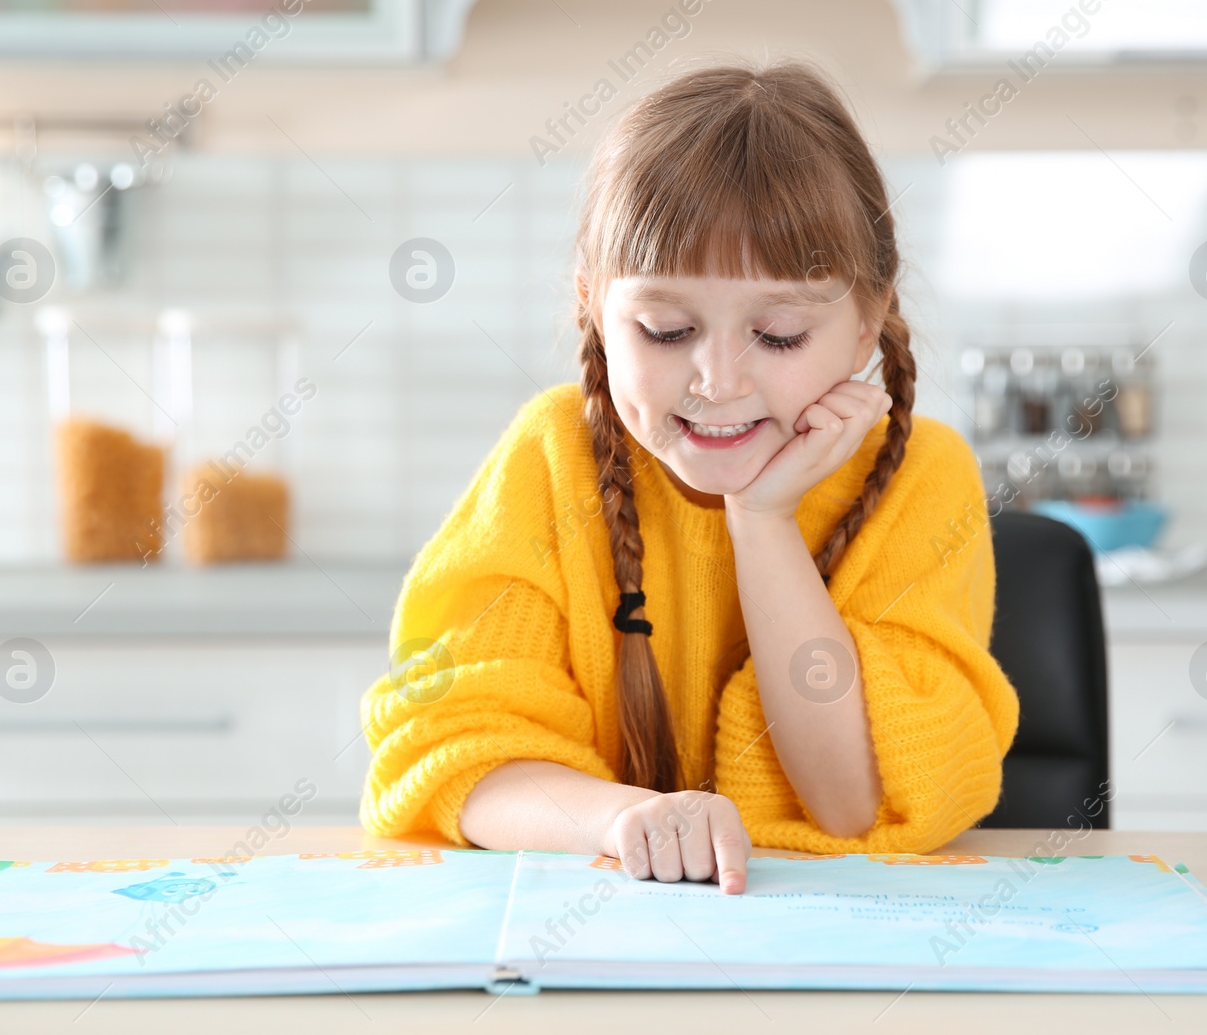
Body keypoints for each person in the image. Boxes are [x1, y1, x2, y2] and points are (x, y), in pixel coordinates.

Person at [361, 61, 1019, 895]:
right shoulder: (551, 458)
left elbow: (854, 802)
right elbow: (451, 747)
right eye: (666, 330)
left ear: (866, 323)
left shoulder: (926, 475)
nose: (718, 380)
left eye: (778, 334)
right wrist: (619, 818)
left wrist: (763, 520)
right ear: (595, 309)